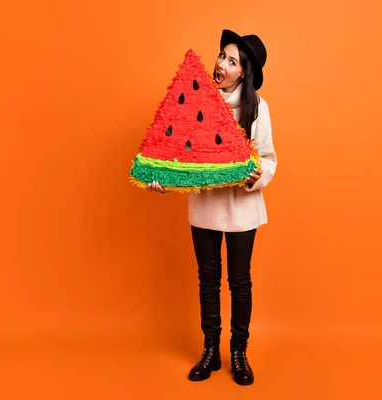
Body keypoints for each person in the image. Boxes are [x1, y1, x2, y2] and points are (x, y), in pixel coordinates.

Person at [147, 29, 277, 386]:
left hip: (242, 209)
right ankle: (210, 350)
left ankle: (239, 353)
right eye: (222, 55)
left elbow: (268, 159)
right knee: (208, 281)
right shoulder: (197, 101)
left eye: (232, 61)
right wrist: (163, 181)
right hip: (204, 209)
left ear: (244, 73)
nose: (221, 64)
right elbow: (179, 156)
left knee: (239, 282)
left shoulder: (258, 108)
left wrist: (254, 175)